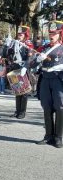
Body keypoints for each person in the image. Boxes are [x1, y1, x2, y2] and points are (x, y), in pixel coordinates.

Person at [36, 20, 63, 148]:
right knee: (46, 107)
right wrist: (37, 59)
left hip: (58, 80)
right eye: (51, 33)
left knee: (60, 108)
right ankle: (48, 136)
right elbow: (32, 64)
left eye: (55, 33)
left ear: (60, 34)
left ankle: (58, 137)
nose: (51, 35)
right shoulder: (44, 48)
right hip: (45, 79)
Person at [5, 25, 33, 119]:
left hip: (23, 68)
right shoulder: (15, 43)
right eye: (19, 34)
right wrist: (8, 46)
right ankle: (17, 111)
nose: (19, 35)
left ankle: (22, 112)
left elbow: (29, 57)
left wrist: (25, 67)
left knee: (24, 91)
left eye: (21, 34)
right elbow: (8, 55)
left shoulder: (28, 44)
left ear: (25, 35)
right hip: (15, 67)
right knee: (17, 90)